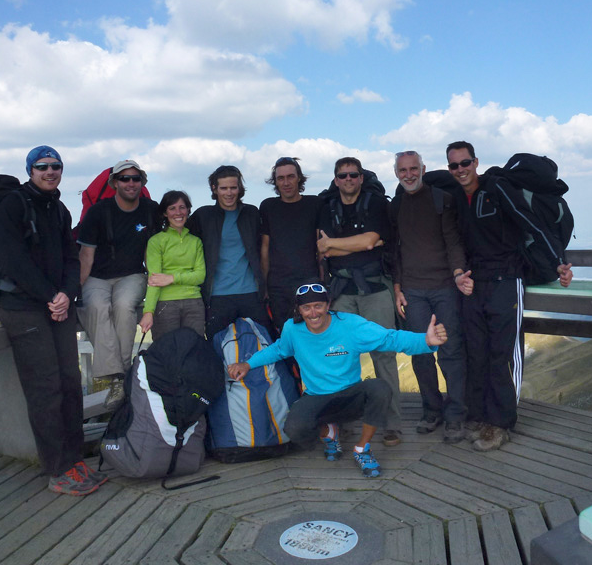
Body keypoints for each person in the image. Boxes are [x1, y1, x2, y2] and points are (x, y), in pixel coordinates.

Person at [227, 283, 447, 478]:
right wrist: (248, 364)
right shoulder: (292, 329)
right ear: (299, 309)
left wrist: (425, 340)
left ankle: (362, 449)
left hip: (351, 395)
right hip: (316, 397)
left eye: (318, 306)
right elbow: (278, 350)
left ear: (328, 304)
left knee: (380, 388)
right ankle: (329, 433)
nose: (313, 313)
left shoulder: (349, 325)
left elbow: (389, 338)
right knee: (294, 429)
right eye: (306, 308)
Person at [0, 145, 105, 496]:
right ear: (30, 170)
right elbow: (12, 260)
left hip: (57, 307)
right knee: (46, 390)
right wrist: (50, 296)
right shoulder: (12, 206)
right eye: (43, 166)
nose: (50, 171)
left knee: (70, 385)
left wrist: (66, 295)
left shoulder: (58, 208)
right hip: (25, 309)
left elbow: (71, 257)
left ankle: (74, 461)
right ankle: (57, 470)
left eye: (56, 166)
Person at [446, 140, 573, 451]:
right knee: (477, 352)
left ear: (475, 162)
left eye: (465, 163)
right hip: (474, 284)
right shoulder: (456, 199)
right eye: (454, 165)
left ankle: (500, 424)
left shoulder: (497, 188)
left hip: (506, 280)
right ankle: (479, 417)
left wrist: (559, 262)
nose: (461, 170)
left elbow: (530, 223)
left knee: (503, 354)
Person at [317, 157, 403, 447]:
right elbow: (324, 249)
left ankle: (391, 424)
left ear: (362, 177)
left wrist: (338, 244)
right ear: (336, 179)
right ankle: (344, 422)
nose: (348, 180)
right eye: (342, 176)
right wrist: (364, 242)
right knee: (339, 358)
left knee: (384, 355)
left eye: (354, 174)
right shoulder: (327, 206)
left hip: (376, 289)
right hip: (342, 291)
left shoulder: (377, 203)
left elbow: (366, 243)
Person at [390, 150, 474, 443]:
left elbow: (452, 240)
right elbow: (396, 251)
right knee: (420, 352)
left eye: (414, 169)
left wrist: (458, 273)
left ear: (423, 169)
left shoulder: (441, 199)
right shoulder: (397, 204)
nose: (409, 175)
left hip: (444, 288)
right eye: (403, 170)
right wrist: (398, 288)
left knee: (450, 352)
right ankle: (432, 410)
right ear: (396, 173)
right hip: (412, 290)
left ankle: (455, 416)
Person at [77, 160, 157, 410]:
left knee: (123, 306)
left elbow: (151, 252)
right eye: (125, 179)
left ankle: (118, 377)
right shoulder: (98, 212)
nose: (130, 183)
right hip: (97, 276)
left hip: (132, 274)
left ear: (142, 182)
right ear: (114, 183)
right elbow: (86, 255)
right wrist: (75, 290)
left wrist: (156, 283)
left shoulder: (150, 210)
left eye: (135, 179)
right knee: (97, 306)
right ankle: (119, 377)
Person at [187, 165, 270, 339]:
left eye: (233, 187)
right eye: (223, 188)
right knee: (216, 348)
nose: (229, 193)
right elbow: (184, 244)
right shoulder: (203, 215)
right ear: (214, 189)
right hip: (217, 295)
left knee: (265, 343)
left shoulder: (251, 213)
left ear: (239, 188)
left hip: (251, 293)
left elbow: (265, 249)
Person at [260, 157, 322, 332]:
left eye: (290, 177)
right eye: (281, 178)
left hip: (309, 282)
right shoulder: (268, 206)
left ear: (299, 178)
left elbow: (321, 247)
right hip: (278, 286)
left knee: (312, 334)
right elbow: (265, 249)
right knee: (285, 335)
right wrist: (264, 285)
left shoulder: (314, 204)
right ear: (275, 182)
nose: (286, 182)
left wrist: (323, 280)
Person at [138, 190, 206, 338]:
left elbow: (200, 276)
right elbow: (154, 280)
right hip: (165, 304)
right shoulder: (156, 241)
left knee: (194, 352)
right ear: (164, 213)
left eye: (182, 207)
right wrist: (148, 312)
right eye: (172, 208)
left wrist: (171, 278)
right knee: (167, 353)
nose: (178, 212)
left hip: (194, 302)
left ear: (188, 210)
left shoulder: (196, 242)